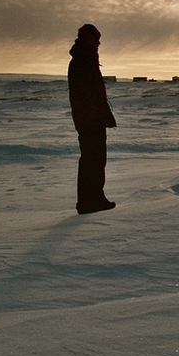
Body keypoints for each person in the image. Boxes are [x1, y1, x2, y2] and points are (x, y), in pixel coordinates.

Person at [68, 24, 116, 214]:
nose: (99, 43)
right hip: (89, 121)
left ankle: (94, 198)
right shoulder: (82, 61)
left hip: (90, 119)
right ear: (88, 40)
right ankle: (91, 201)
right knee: (92, 160)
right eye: (96, 39)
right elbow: (87, 95)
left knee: (94, 160)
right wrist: (96, 116)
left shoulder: (85, 59)